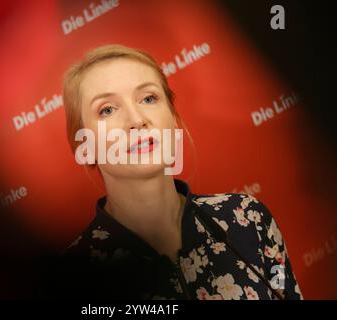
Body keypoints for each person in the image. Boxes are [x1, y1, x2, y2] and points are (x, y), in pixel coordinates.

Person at [45, 44, 303, 300]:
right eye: (107, 110)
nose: (136, 120)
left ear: (173, 117)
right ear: (84, 146)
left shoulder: (249, 218)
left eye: (149, 98)